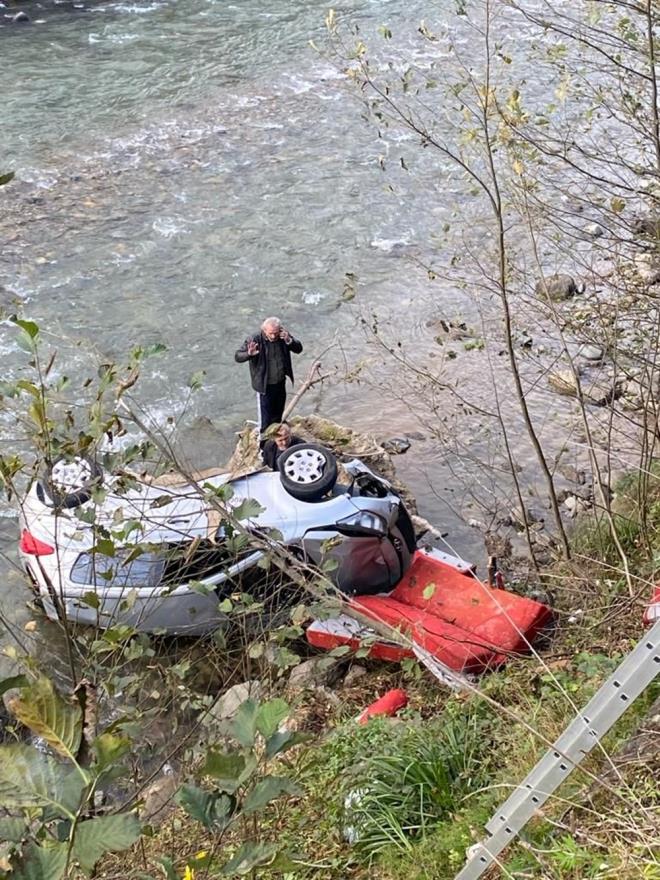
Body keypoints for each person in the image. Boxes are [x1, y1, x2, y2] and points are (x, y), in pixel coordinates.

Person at [234, 316, 303, 432]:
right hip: (264, 386)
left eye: (276, 333)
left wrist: (289, 341)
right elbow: (237, 356)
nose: (273, 336)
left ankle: (276, 442)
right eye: (270, 333)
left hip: (280, 382)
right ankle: (264, 445)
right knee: (265, 420)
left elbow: (299, 348)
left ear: (280, 329)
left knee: (277, 417)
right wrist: (249, 354)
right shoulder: (255, 339)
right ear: (264, 330)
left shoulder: (283, 336)